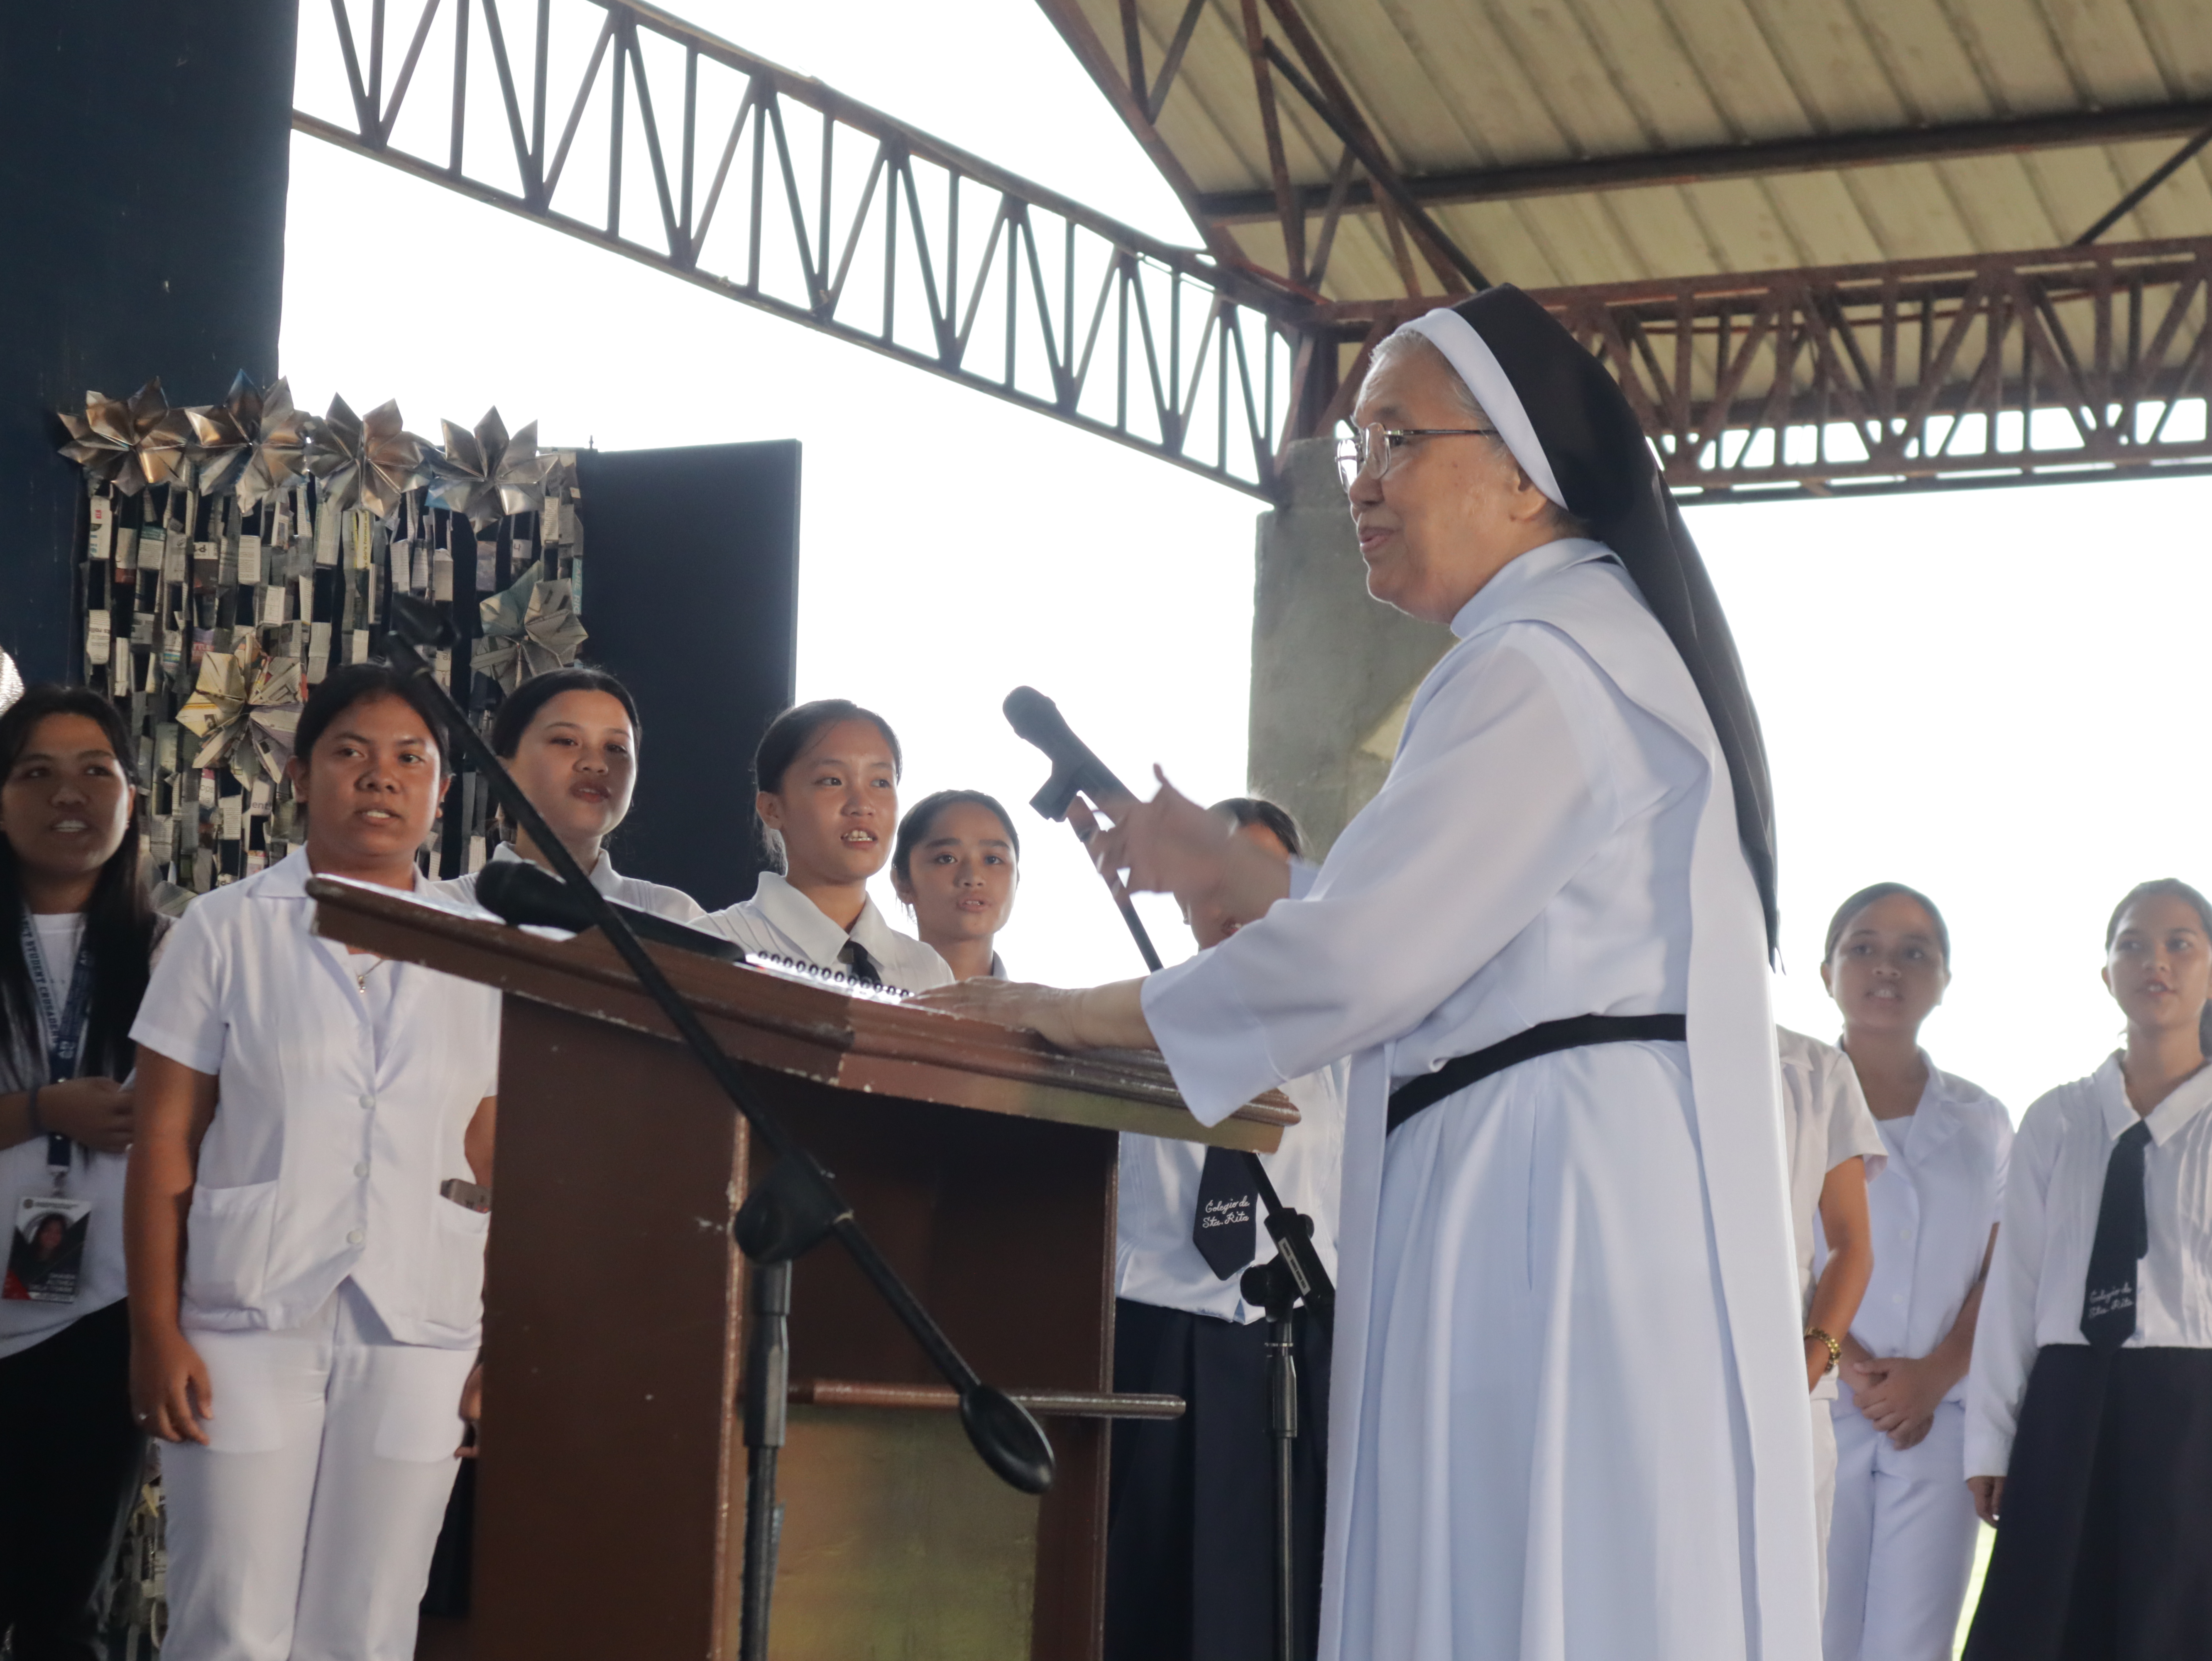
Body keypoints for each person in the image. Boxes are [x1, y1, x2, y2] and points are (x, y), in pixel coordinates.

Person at [922, 286, 1818, 1660]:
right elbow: (1457, 926)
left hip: (1540, 1200)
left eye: (1397, 439)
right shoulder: (1574, 646)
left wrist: (1057, 1013)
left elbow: (1367, 956)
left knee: (1516, 1575)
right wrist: (1236, 875)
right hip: (1557, 1169)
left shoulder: (1540, 663)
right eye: (1355, 447)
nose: (1361, 483)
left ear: (1523, 475)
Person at [125, 663, 502, 1661]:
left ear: (440, 792)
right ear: (299, 773)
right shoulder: (223, 928)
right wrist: (154, 1329)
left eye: (410, 758)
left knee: (369, 1627)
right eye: (351, 753)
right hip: (243, 1318)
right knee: (229, 1623)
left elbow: (502, 1157)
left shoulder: (488, 948)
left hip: (422, 1325)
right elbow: (163, 1139)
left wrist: (504, 1339)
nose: (381, 776)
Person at [1105, 796, 1346, 1661]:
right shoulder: (1126, 1023)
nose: (1232, 902)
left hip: (1299, 1341)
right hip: (1157, 1339)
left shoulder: (1347, 1042)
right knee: (1145, 1592)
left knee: (1287, 1593)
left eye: (1256, 875)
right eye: (1213, 879)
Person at [1961, 879, 2212, 1660]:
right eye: (2132, 944)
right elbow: (2015, 1287)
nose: (2155, 961)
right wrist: (1991, 1443)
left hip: (2192, 1410)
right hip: (2066, 1406)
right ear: (2106, 974)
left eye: (2180, 944)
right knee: (2046, 1626)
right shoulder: (2057, 1118)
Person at [0, 686, 164, 1661]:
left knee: (67, 1619)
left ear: (132, 798)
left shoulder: (175, 953)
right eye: (37, 771)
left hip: (100, 1320)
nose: (69, 793)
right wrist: (41, 1110)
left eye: (96, 770)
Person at [1816, 883, 2008, 1661]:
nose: (1886, 967)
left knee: (1915, 1645)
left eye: (1913, 953)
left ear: (1944, 981)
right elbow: (1761, 1256)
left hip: (1936, 1421)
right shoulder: (1783, 1101)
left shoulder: (1983, 1120)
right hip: (1819, 1404)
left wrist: (1933, 1374)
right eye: (1862, 947)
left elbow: (2003, 1269)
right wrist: (1854, 1366)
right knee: (1804, 1631)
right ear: (1826, 971)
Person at [699, 700, 949, 992]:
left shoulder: (928, 971)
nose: (862, 805)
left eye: (881, 782)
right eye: (832, 781)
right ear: (771, 809)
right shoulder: (712, 948)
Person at [433, 665, 702, 923]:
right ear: (503, 772)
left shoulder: (675, 916)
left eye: (616, 748)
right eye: (567, 741)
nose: (596, 763)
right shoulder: (437, 910)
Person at [1775, 1024, 1881, 1610]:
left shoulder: (1813, 1067)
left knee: (1779, 1604)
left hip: (1790, 1387)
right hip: (1654, 1374)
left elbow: (1852, 1245)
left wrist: (1808, 1367)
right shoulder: (1617, 1051)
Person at [889, 789, 1020, 980]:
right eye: (947, 859)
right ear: (902, 883)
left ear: (1017, 880)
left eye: (993, 860)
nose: (973, 878)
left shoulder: (1039, 1000)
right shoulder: (863, 992)